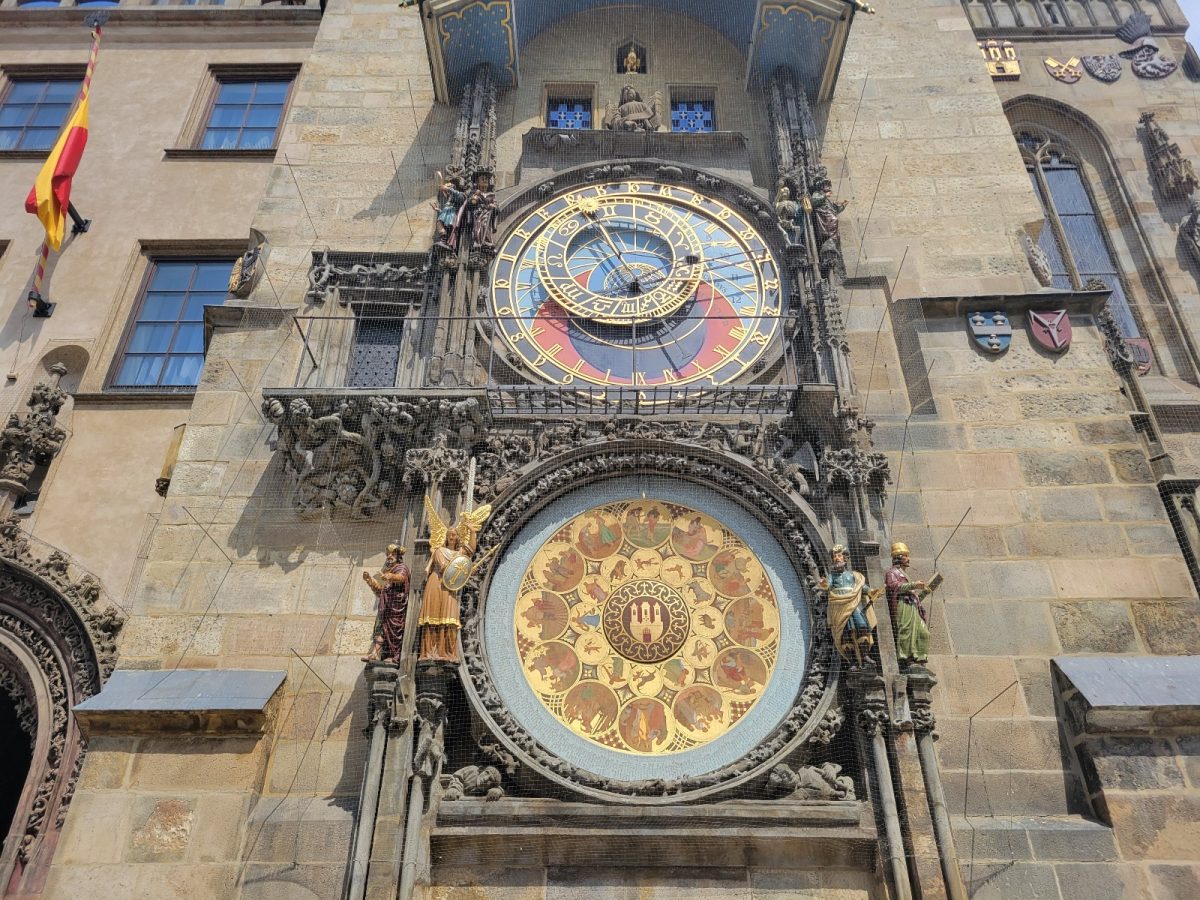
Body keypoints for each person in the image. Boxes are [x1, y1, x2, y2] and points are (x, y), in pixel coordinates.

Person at [818, 544, 877, 665]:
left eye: (839, 555)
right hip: (839, 606)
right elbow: (827, 586)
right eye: (834, 556)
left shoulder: (853, 575)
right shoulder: (832, 576)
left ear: (845, 558)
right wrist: (823, 583)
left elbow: (861, 587)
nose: (836, 558)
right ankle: (852, 662)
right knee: (844, 634)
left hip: (853, 604)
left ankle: (864, 655)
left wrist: (871, 591)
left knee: (862, 627)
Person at [884, 541, 934, 665]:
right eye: (906, 556)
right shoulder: (892, 572)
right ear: (899, 557)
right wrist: (914, 584)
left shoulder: (904, 574)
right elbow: (892, 586)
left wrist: (925, 592)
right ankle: (905, 659)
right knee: (905, 630)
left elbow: (914, 596)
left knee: (924, 633)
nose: (908, 559)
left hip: (912, 606)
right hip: (902, 605)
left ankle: (919, 659)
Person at [362, 544, 410, 664]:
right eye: (388, 554)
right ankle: (374, 653)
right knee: (381, 630)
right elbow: (381, 591)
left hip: (396, 609)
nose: (389, 556)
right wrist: (370, 581)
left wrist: (391, 576)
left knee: (394, 632)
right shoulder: (388, 572)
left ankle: (395, 656)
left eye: (392, 554)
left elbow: (401, 578)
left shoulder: (401, 568)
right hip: (386, 609)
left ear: (398, 555)